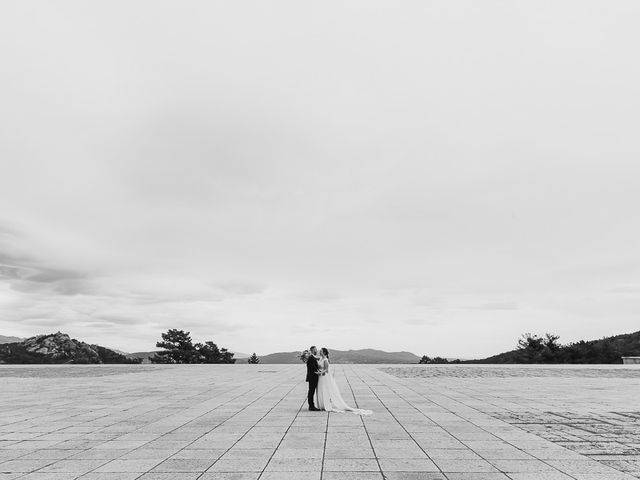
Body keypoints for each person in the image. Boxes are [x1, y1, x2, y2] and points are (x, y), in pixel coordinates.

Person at [315, 347, 372, 415]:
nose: (319, 352)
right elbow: (314, 358)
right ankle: (321, 404)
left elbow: (326, 370)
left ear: (324, 352)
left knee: (325, 390)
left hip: (324, 377)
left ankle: (326, 404)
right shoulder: (320, 358)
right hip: (320, 377)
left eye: (321, 351)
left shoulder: (325, 360)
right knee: (320, 390)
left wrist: (320, 373)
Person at [306, 345, 321, 411]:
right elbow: (313, 367)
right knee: (311, 392)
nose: (316, 350)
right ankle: (311, 406)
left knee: (311, 391)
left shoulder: (312, 357)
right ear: (312, 350)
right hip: (312, 377)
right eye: (315, 349)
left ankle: (311, 405)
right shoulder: (311, 357)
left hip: (312, 377)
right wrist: (318, 372)